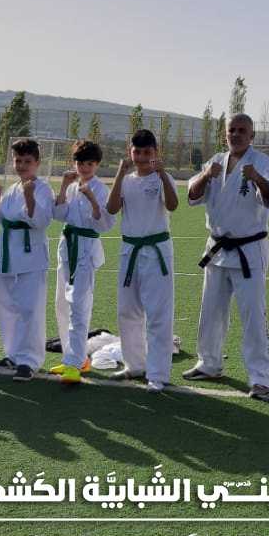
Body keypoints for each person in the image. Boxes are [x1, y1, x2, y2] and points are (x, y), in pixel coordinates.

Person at [184, 112, 269, 398]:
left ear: (252, 136)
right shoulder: (214, 162)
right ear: (225, 134)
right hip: (217, 248)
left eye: (241, 130)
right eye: (231, 130)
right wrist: (205, 175)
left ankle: (260, 377)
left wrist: (258, 179)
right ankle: (209, 363)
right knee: (211, 310)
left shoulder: (262, 164)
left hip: (248, 248)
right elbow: (192, 195)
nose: (236, 134)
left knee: (253, 315)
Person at [107, 130, 178, 393]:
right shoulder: (126, 180)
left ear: (156, 153)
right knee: (127, 311)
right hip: (130, 250)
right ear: (130, 152)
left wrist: (163, 174)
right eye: (137, 152)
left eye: (147, 152)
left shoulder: (162, 178)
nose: (141, 157)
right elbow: (111, 208)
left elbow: (173, 205)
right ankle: (135, 364)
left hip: (156, 250)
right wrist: (119, 173)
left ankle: (158, 373)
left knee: (158, 313)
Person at [50, 140, 115, 384]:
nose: (84, 168)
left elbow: (105, 224)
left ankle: (75, 363)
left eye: (89, 163)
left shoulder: (101, 189)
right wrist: (63, 186)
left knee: (79, 306)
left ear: (97, 165)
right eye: (80, 163)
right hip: (67, 246)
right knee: (61, 304)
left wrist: (92, 199)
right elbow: (58, 215)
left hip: (86, 249)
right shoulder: (72, 185)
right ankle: (74, 357)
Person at [0, 138, 54, 382]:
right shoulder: (12, 188)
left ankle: (29, 360)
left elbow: (41, 221)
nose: (22, 165)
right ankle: (12, 354)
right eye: (18, 161)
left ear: (37, 163)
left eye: (27, 161)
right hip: (7, 252)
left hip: (30, 255)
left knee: (30, 308)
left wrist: (29, 197)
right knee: (7, 306)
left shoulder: (43, 189)